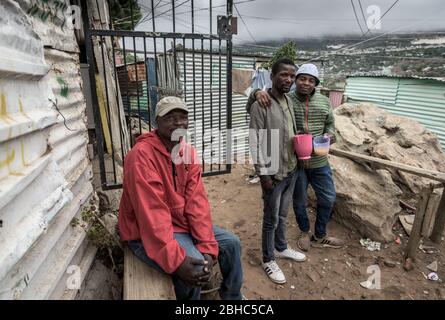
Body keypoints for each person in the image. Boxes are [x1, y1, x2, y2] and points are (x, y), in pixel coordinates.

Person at [118, 96, 244, 300]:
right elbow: (152, 216)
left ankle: (232, 298)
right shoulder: (140, 156)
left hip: (180, 226)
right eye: (170, 117)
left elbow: (197, 203)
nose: (178, 123)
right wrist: (176, 261)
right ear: (156, 121)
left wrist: (207, 247)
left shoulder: (187, 152)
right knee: (193, 266)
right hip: (143, 233)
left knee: (232, 244)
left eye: (183, 117)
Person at [247, 63, 344, 252]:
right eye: (302, 78)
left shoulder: (324, 101)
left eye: (311, 80)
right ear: (296, 81)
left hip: (319, 161)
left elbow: (331, 124)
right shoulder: (287, 98)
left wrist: (329, 135)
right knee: (299, 202)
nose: (305, 83)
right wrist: (256, 92)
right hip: (296, 163)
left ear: (316, 83)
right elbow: (254, 108)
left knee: (328, 198)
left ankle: (320, 234)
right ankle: (304, 232)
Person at [249, 58, 307, 285]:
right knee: (270, 219)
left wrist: (299, 135)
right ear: (272, 76)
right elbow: (255, 142)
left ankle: (281, 247)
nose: (289, 80)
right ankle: (268, 258)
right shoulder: (260, 104)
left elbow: (287, 130)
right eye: (284, 75)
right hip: (272, 174)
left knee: (283, 215)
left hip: (290, 168)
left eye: (292, 76)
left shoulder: (289, 102)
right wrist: (263, 175)